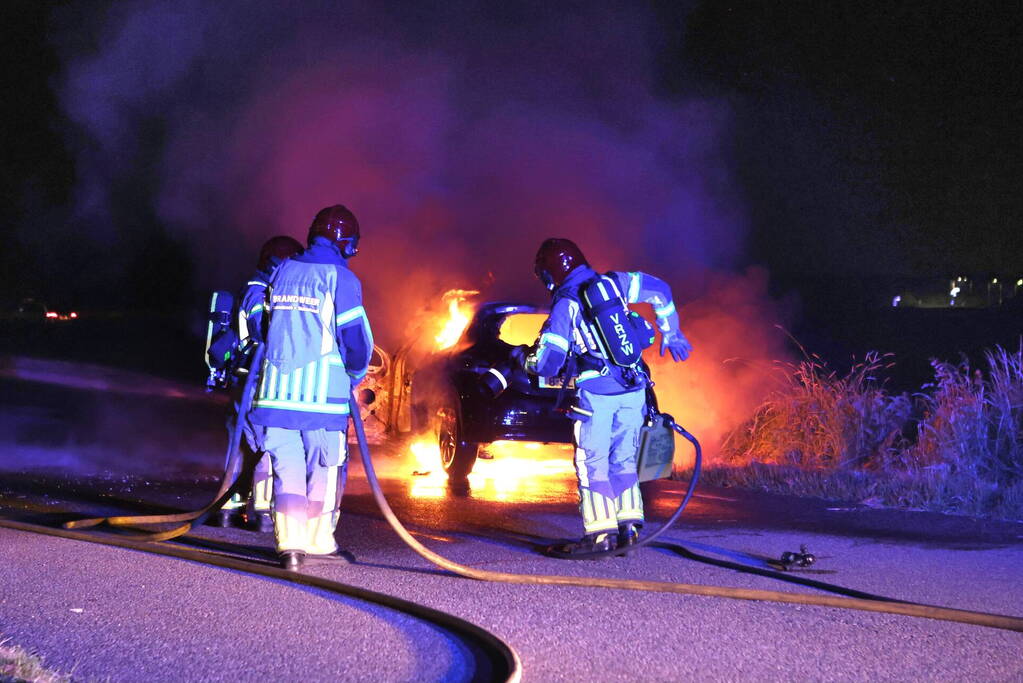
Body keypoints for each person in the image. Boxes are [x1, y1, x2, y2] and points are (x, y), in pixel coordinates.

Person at [517, 238, 692, 555]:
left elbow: (549, 362)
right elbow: (660, 291)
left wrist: (525, 360)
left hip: (597, 396)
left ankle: (599, 536)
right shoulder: (615, 283)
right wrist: (672, 332)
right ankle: (630, 529)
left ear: (549, 274)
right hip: (634, 389)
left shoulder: (566, 302)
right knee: (623, 462)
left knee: (592, 465)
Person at [247, 205, 373, 570]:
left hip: (275, 395)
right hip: (323, 400)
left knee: (286, 469)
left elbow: (262, 326)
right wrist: (354, 372)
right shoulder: (341, 278)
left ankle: (289, 547)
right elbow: (356, 339)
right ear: (345, 241)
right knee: (325, 467)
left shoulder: (284, 270)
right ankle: (318, 542)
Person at [214, 235, 305, 531]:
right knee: (262, 445)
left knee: (247, 446)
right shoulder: (257, 289)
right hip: (251, 381)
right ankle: (258, 513)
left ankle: (234, 509)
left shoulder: (264, 288)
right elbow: (259, 328)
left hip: (255, 380)